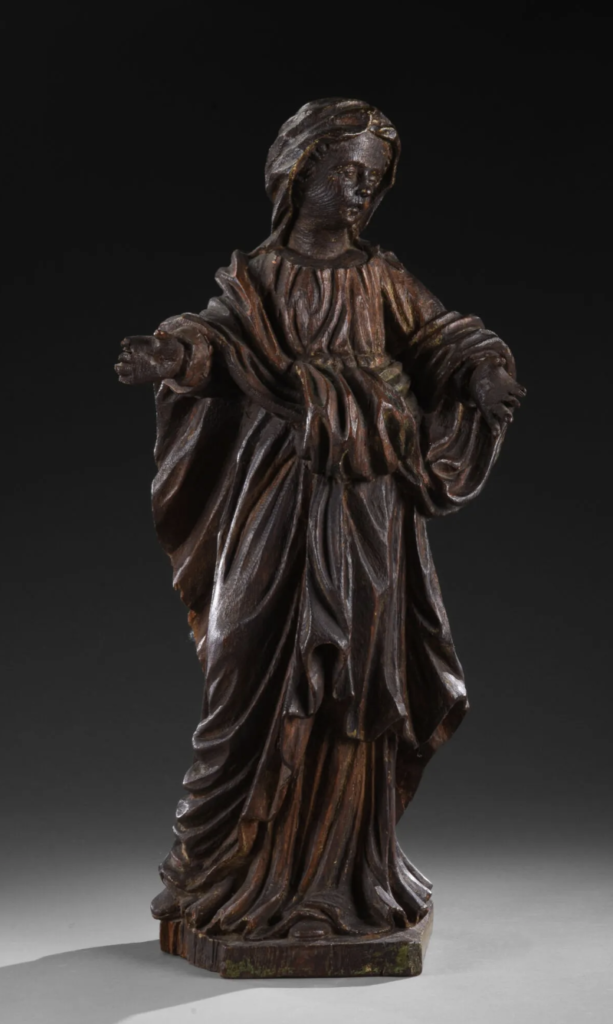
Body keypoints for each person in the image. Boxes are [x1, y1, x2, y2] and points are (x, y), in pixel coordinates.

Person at [115, 98, 525, 943]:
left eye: (373, 180)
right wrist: (173, 357)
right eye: (345, 172)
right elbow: (212, 341)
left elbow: (447, 338)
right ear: (296, 171)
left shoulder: (380, 278)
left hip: (369, 513)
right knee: (248, 670)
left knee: (357, 685)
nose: (360, 192)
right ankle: (218, 870)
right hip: (276, 500)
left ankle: (343, 882)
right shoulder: (257, 278)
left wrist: (481, 373)